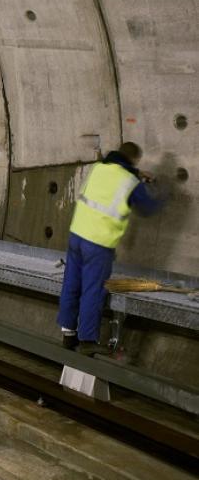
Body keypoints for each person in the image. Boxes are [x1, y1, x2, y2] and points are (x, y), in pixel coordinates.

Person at [57, 142, 163, 355]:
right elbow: (149, 208)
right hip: (98, 244)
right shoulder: (130, 182)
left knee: (71, 284)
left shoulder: (99, 168)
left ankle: (68, 334)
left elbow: (114, 172)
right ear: (134, 160)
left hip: (77, 234)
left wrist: (136, 173)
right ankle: (87, 340)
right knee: (92, 290)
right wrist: (164, 193)